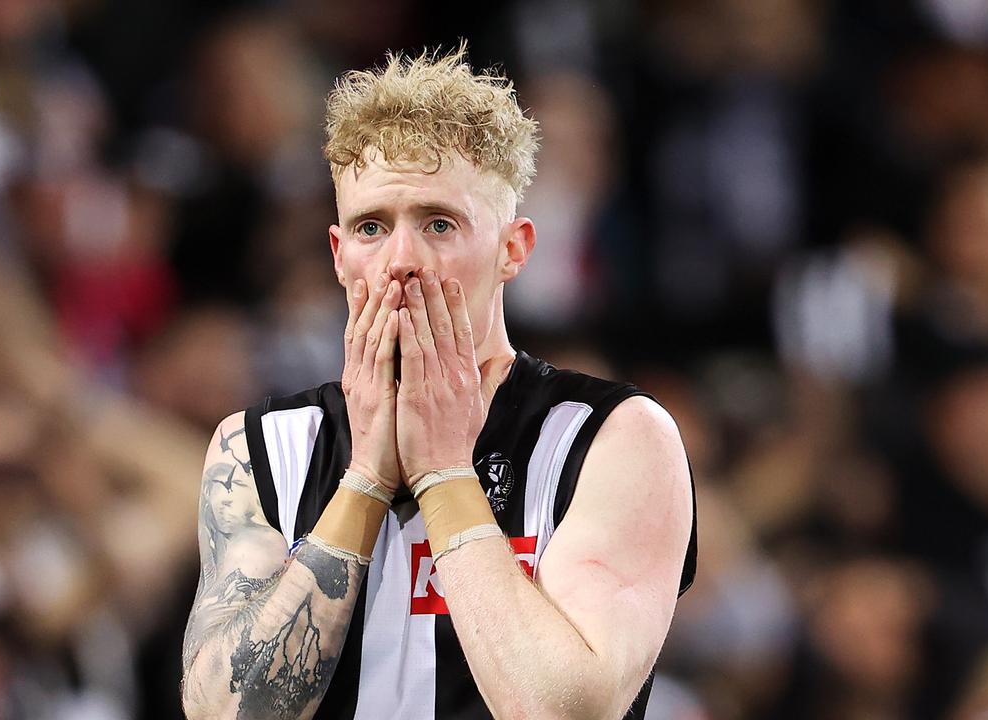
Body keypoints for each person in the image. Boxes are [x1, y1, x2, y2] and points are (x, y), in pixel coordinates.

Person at [179, 46, 697, 720]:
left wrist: (444, 474)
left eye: (438, 224)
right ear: (339, 256)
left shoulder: (614, 438)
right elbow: (227, 712)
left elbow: (564, 712)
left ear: (514, 248)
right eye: (372, 227)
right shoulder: (258, 448)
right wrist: (365, 477)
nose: (400, 261)